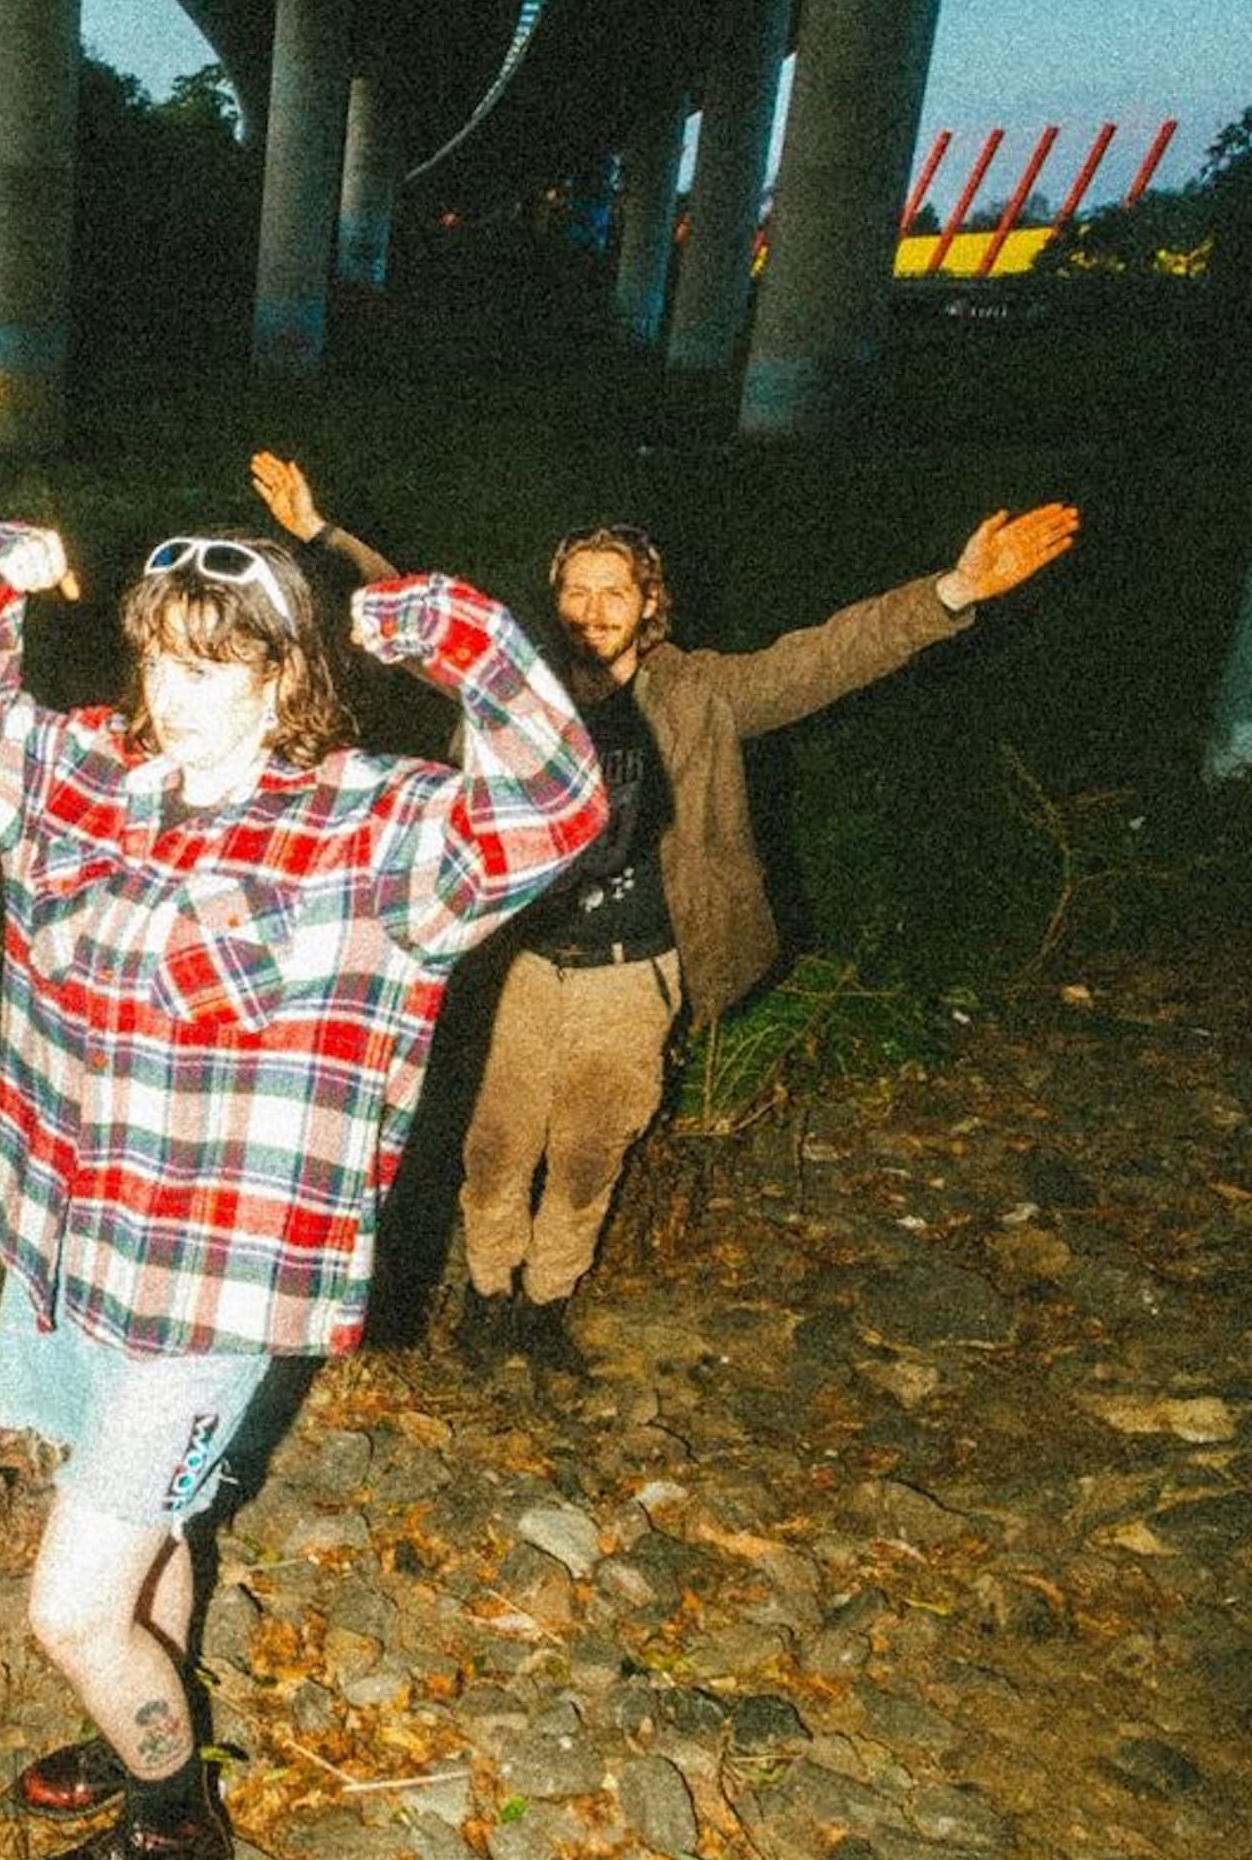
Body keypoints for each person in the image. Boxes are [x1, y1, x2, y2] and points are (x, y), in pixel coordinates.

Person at [0, 521, 606, 1860]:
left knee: (68, 1612)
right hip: (73, 1250)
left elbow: (557, 808)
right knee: (160, 1532)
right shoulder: (88, 780)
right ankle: (143, 1724)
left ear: (287, 671)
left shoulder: (375, 828)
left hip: (216, 1290)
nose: (179, 694)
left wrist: (458, 636)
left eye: (219, 666)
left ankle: (178, 1818)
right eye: (161, 661)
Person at [252, 453, 1080, 1378]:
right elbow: (416, 614)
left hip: (633, 974)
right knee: (493, 1148)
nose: (594, 609)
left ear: (651, 605)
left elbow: (830, 655)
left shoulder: (704, 695)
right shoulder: (514, 687)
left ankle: (544, 1306)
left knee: (590, 1155)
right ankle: (486, 1298)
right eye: (576, 590)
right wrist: (322, 537)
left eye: (616, 592)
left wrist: (955, 588)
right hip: (519, 966)